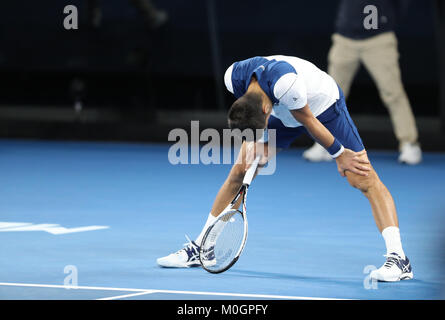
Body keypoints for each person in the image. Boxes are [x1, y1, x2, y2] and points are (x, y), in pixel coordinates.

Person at [157, 55, 413, 282]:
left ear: (266, 110)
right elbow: (249, 113)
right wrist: (256, 143)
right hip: (281, 113)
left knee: (363, 178)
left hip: (322, 109)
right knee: (239, 171)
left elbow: (308, 121)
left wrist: (339, 155)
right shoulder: (233, 77)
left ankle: (399, 260)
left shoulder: (285, 82)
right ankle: (204, 247)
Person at [303, 0, 422, 165]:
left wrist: (385, 20)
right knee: (329, 96)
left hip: (379, 40)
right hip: (345, 39)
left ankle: (409, 144)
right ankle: (324, 143)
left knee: (393, 94)